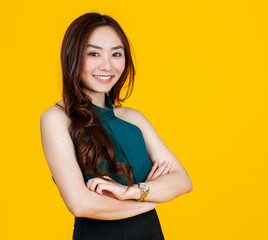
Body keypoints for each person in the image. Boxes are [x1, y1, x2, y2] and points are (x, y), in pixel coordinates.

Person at [40, 12, 192, 240]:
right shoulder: (57, 119)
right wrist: (150, 198)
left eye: (116, 54)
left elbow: (182, 180)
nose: (107, 65)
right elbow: (81, 204)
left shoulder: (133, 118)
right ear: (72, 57)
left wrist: (128, 191)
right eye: (94, 53)